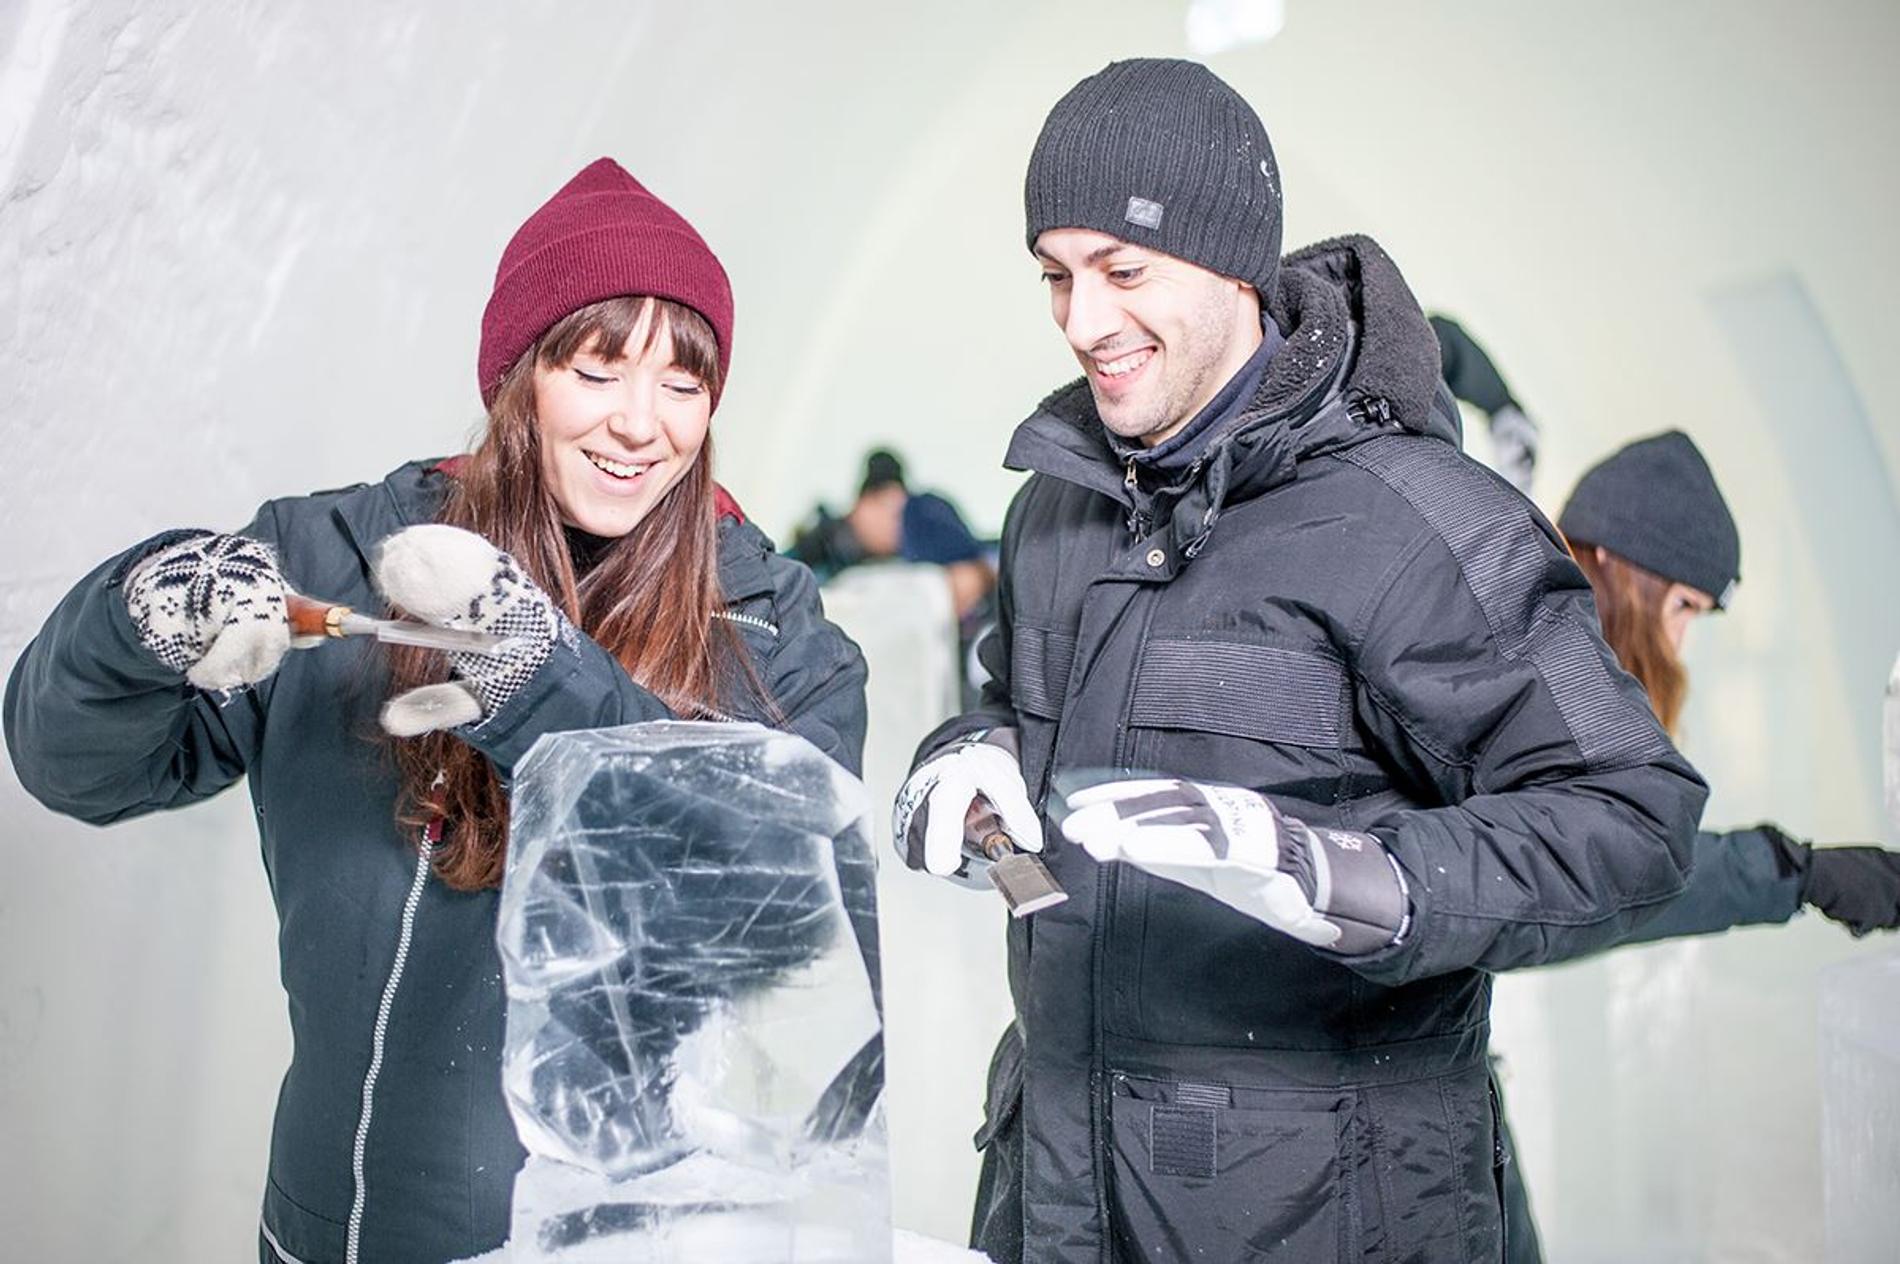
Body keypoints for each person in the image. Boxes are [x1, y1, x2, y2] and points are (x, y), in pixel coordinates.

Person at [889, 60, 1707, 1263]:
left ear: (1235, 266)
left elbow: (1634, 821)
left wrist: (1352, 875)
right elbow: (1011, 699)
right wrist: (967, 761)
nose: (1082, 321)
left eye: (1123, 272)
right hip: (1056, 1196)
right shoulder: (1055, 510)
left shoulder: (1422, 522)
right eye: (1054, 277)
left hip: (1323, 1216)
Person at [3, 158, 868, 1264]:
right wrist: (130, 623)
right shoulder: (341, 558)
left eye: (683, 385)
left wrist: (542, 686)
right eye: (598, 369)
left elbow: (770, 929)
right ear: (519, 375)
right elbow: (76, 768)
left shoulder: (777, 639)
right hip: (338, 1237)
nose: (642, 423)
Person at [1490, 429, 1900, 1262]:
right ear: (1610, 563)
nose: (1677, 647)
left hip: (1441, 1080)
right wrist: (1797, 873)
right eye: (1680, 608)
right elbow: (1587, 875)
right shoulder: (1503, 666)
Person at [789, 447, 997, 621]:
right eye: (888, 507)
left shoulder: (923, 516)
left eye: (900, 512)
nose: (895, 522)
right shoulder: (821, 547)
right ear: (865, 503)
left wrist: (978, 575)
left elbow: (981, 558)